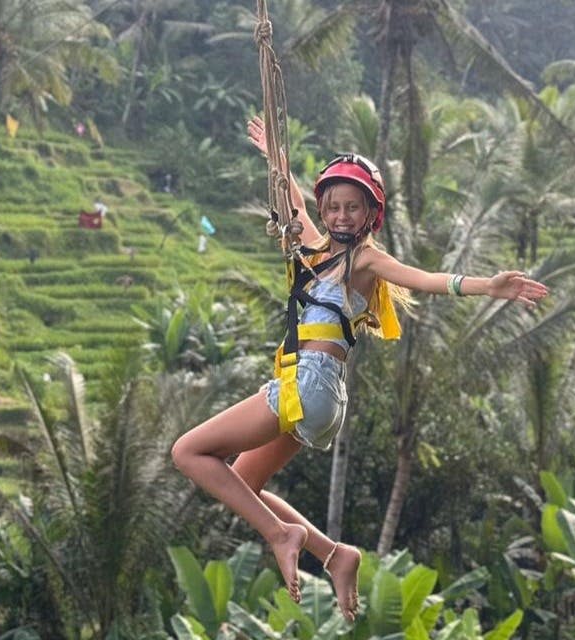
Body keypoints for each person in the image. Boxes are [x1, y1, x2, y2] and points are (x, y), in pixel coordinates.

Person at [171, 116, 549, 621]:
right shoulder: (315, 253)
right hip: (317, 395)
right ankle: (332, 553)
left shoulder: (366, 262)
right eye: (334, 207)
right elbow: (295, 206)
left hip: (309, 385)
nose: (342, 215)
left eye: (353, 207)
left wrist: (487, 286)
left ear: (371, 214)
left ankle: (282, 535)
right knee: (244, 481)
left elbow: (425, 278)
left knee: (189, 452)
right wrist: (275, 159)